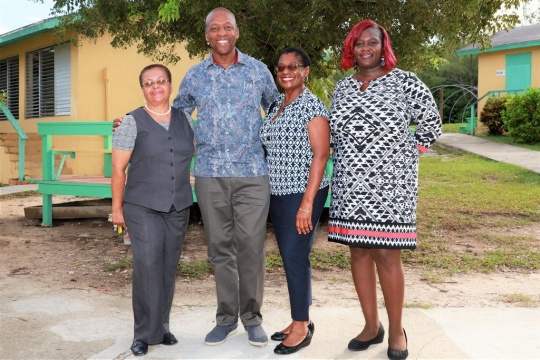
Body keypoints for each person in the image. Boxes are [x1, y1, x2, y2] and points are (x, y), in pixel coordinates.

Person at [328, 20, 442, 360]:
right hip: (351, 185)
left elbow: (432, 122)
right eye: (359, 43)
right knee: (359, 252)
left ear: (383, 46)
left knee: (386, 254)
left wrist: (407, 154)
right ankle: (370, 325)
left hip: (391, 188)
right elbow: (335, 134)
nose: (365, 48)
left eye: (372, 42)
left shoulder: (404, 82)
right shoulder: (343, 88)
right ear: (352, 48)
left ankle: (396, 331)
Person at [173, 7, 279, 347]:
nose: (222, 32)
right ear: (207, 36)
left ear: (236, 33)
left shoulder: (258, 71)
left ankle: (251, 318)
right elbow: (176, 113)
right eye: (215, 28)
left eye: (228, 27)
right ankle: (225, 318)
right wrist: (133, 122)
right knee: (220, 249)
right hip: (209, 174)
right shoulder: (195, 75)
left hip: (252, 173)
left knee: (251, 247)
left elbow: (277, 108)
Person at [111, 64, 194, 356]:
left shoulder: (186, 120)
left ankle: (162, 326)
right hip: (142, 205)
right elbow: (119, 170)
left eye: (161, 81)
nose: (155, 87)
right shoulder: (131, 121)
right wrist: (116, 209)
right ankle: (143, 334)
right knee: (147, 266)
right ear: (143, 88)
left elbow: (187, 154)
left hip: (178, 205)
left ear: (171, 86)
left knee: (168, 267)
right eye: (148, 83)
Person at [260, 48, 330, 355]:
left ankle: (301, 325)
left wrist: (306, 204)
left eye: (293, 67)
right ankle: (299, 318)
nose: (286, 71)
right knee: (290, 257)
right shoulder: (277, 102)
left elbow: (321, 155)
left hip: (302, 194)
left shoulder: (311, 106)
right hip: (277, 193)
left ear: (306, 71)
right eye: (281, 68)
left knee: (295, 256)